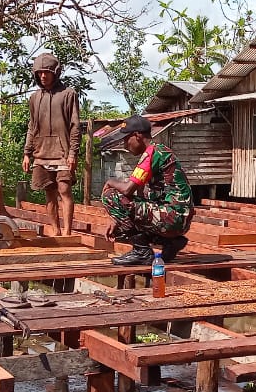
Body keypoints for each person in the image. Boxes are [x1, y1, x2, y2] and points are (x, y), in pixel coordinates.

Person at [100, 115, 195, 266]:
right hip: (178, 218)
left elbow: (127, 190)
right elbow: (138, 195)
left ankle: (141, 252)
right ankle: (172, 242)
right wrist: (115, 220)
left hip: (173, 217)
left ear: (137, 135)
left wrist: (110, 182)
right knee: (120, 226)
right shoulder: (157, 152)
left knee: (110, 196)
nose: (125, 145)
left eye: (126, 139)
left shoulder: (153, 152)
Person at [22, 52, 80, 236]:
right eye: (39, 73)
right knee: (49, 192)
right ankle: (55, 231)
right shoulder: (34, 98)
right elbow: (32, 126)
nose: (43, 76)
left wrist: (72, 154)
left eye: (47, 72)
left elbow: (75, 125)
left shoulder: (68, 94)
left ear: (56, 72)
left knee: (64, 190)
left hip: (63, 153)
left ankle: (67, 232)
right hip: (41, 152)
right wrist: (26, 153)